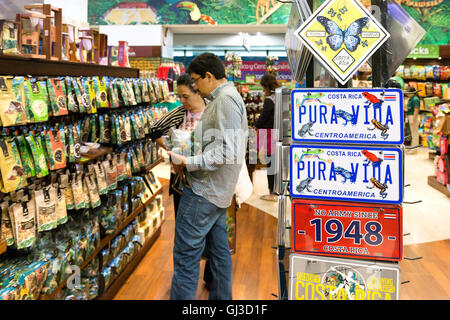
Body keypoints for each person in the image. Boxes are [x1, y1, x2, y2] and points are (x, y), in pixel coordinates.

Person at [167, 52, 248, 300]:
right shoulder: (225, 98)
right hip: (216, 192)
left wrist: (188, 161)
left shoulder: (224, 100)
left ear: (209, 76)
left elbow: (228, 151)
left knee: (186, 256)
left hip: (204, 191)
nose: (195, 87)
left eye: (196, 80)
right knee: (219, 253)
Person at [149, 73, 206, 215]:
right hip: (181, 179)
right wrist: (173, 150)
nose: (181, 100)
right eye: (179, 96)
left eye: (185, 96)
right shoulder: (180, 113)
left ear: (198, 92)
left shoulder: (212, 110)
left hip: (206, 178)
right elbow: (154, 130)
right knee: (183, 221)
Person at [255, 73, 280, 202]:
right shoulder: (280, 97)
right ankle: (276, 190)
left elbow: (263, 118)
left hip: (269, 134)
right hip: (279, 133)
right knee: (276, 164)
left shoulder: (269, 100)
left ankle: (272, 193)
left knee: (270, 163)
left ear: (266, 86)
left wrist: (255, 124)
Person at [404, 86, 421, 150]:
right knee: (412, 133)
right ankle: (412, 147)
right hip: (410, 116)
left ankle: (414, 149)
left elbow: (416, 110)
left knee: (414, 133)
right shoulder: (411, 98)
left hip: (413, 117)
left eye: (408, 93)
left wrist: (413, 120)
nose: (407, 94)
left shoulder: (415, 99)